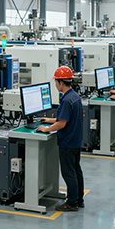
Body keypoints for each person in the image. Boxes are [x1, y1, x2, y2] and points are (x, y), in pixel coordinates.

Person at [36, 66, 84, 212]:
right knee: (76, 170)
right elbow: (65, 118)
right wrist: (50, 121)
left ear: (61, 82)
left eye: (56, 82)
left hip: (67, 142)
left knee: (69, 173)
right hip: (76, 141)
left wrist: (46, 129)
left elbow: (62, 124)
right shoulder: (74, 97)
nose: (56, 85)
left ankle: (72, 203)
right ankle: (79, 199)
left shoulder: (66, 100)